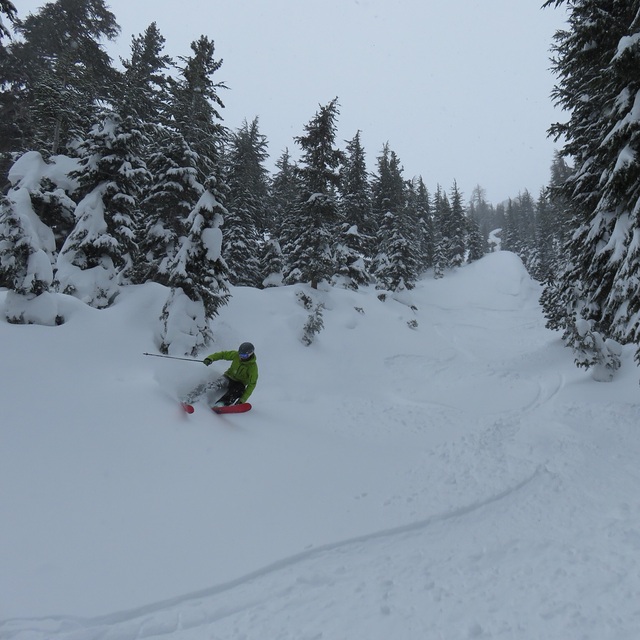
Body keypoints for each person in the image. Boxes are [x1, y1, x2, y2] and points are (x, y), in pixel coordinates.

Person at [203, 342, 258, 406]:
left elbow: (252, 384)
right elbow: (223, 354)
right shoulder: (236, 355)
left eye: (244, 356)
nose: (241, 357)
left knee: (237, 390)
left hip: (239, 384)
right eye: (240, 354)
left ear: (250, 354)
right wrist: (210, 358)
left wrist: (242, 400)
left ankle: (221, 403)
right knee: (220, 382)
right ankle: (203, 392)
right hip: (228, 377)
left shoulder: (252, 367)